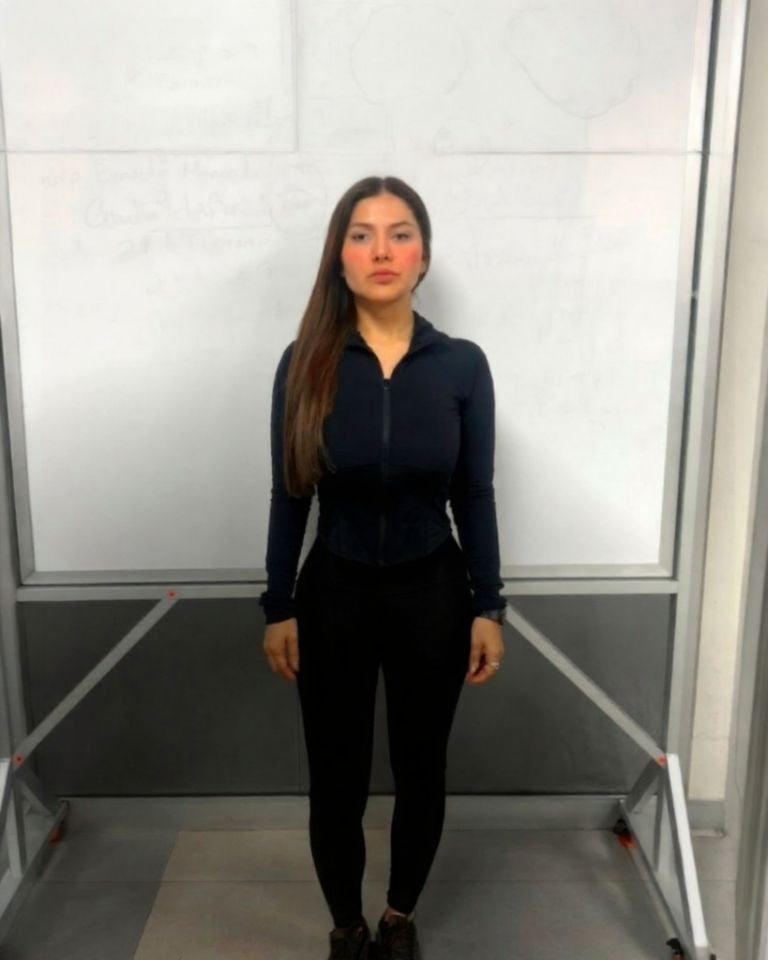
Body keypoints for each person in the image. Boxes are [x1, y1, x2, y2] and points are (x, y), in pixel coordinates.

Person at [260, 175, 507, 960]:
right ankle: (347, 928)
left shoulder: (461, 366)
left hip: (432, 594)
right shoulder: (306, 362)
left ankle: (399, 918)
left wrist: (488, 605)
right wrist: (277, 605)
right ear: (339, 256)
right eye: (361, 235)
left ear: (423, 254)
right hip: (332, 595)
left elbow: (474, 493)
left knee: (421, 770)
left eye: (400, 234)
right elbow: (290, 493)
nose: (382, 251)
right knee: (336, 778)